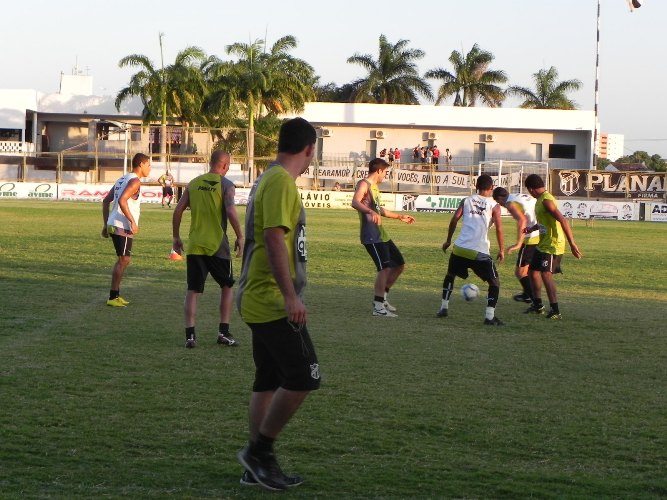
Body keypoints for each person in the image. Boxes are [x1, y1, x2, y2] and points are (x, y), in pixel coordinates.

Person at [236, 117, 321, 491]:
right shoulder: (282, 182)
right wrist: (290, 296)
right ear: (309, 150)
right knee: (304, 377)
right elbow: (273, 239)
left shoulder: (268, 178)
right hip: (271, 299)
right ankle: (259, 453)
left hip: (257, 295)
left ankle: (255, 467)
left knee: (268, 379)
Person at [172, 150, 244, 348]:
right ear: (225, 165)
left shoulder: (194, 183)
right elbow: (230, 210)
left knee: (193, 290)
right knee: (227, 286)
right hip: (218, 245)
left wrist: (176, 237)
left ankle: (190, 336)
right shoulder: (226, 185)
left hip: (196, 244)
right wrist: (240, 236)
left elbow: (178, 210)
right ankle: (223, 333)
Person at [437, 174, 505, 325]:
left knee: (450, 275)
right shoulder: (494, 206)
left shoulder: (466, 200)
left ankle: (443, 308)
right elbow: (499, 228)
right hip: (479, 251)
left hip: (460, 248)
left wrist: (448, 240)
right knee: (494, 283)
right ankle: (489, 317)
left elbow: (455, 219)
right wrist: (501, 249)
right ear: (491, 188)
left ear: (476, 187)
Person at [351, 158, 415, 317]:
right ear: (379, 171)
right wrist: (370, 212)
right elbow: (355, 202)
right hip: (371, 236)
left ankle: (383, 298)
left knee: (399, 265)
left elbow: (381, 211)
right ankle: (378, 307)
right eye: (385, 172)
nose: (385, 176)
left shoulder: (375, 188)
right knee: (384, 268)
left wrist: (400, 216)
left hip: (382, 235)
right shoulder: (364, 184)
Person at [524, 174, 583, 319]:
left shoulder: (546, 200)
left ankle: (556, 311)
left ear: (531, 189)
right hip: (543, 243)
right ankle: (538, 305)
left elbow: (563, 221)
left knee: (546, 274)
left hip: (552, 244)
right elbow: (544, 222)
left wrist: (572, 244)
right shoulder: (540, 200)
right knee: (532, 272)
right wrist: (532, 229)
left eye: (528, 190)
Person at [101, 153, 151, 307]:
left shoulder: (123, 178)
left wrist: (105, 224)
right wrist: (132, 221)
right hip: (122, 224)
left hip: (115, 223)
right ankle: (113, 297)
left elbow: (106, 200)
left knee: (124, 259)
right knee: (124, 259)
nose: (150, 169)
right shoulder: (134, 181)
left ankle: (115, 295)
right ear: (141, 164)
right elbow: (122, 200)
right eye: (148, 165)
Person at [492, 187, 540, 304]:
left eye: (499, 203)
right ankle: (526, 294)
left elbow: (522, 220)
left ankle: (535, 302)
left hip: (531, 237)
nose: (502, 206)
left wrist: (518, 243)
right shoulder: (515, 196)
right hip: (540, 231)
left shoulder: (510, 203)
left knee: (520, 272)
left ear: (499, 198)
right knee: (528, 270)